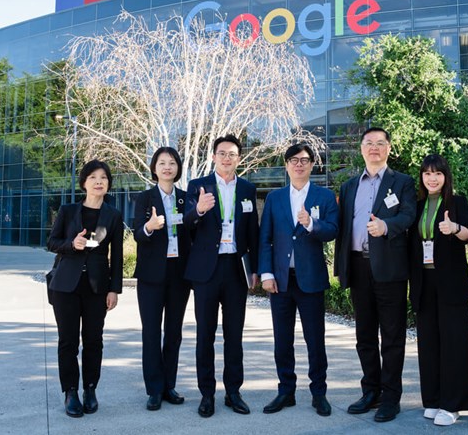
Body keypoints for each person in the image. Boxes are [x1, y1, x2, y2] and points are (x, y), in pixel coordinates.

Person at [334, 127, 417, 423]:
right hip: (358, 266)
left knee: (392, 336)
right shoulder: (348, 186)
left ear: (389, 149)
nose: (374, 148)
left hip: (390, 268)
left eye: (380, 143)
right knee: (364, 334)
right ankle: (371, 391)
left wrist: (387, 227)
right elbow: (343, 226)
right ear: (361, 149)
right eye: (369, 143)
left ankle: (391, 397)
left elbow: (409, 215)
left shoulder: (403, 182)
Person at [258, 144, 339, 417]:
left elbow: (332, 230)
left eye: (304, 160)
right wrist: (266, 273)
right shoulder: (275, 198)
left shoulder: (324, 196)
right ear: (286, 165)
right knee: (283, 340)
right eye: (294, 160)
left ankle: (319, 393)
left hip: (311, 280)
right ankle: (286, 391)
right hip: (280, 280)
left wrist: (310, 224)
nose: (299, 165)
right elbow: (265, 238)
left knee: (315, 340)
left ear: (312, 164)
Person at [183, 135, 259, 418]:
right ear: (214, 156)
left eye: (232, 154)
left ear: (239, 158)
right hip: (206, 271)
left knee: (234, 335)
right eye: (222, 153)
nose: (227, 158)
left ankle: (233, 392)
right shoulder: (197, 186)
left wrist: (254, 269)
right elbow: (186, 224)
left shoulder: (248, 189)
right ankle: (206, 394)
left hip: (236, 269)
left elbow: (253, 231)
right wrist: (199, 209)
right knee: (205, 335)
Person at [47, 159, 123, 418]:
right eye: (93, 177)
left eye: (103, 177)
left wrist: (114, 290)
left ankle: (90, 389)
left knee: (93, 341)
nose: (99, 181)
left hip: (97, 287)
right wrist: (72, 244)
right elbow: (52, 242)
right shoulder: (68, 211)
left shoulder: (113, 215)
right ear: (84, 183)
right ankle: (70, 392)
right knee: (67, 341)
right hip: (66, 286)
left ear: (108, 183)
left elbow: (118, 256)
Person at [408, 154, 468, 426]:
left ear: (446, 177)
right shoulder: (417, 204)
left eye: (437, 173)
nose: (432, 178)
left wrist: (454, 228)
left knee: (453, 344)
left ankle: (452, 404)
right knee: (429, 344)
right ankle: (434, 400)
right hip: (424, 283)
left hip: (451, 283)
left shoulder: (456, 203)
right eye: (426, 173)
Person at [132, 147, 191, 411]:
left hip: (179, 274)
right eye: (162, 163)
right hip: (151, 276)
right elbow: (137, 234)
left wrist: (198, 214)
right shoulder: (144, 199)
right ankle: (154, 389)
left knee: (174, 333)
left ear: (178, 168)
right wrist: (149, 227)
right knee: (152, 332)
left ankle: (169, 385)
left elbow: (193, 231)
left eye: (172, 163)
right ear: (154, 168)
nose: (167, 167)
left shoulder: (187, 199)